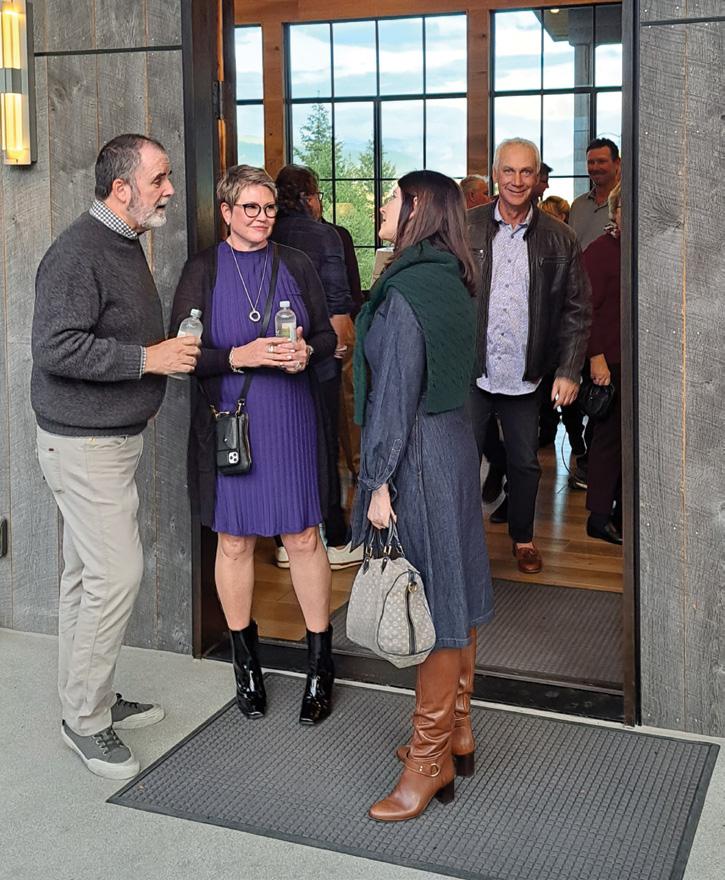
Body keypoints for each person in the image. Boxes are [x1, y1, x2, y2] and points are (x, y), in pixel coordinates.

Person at [32, 133, 201, 779]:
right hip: (84, 445)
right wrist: (147, 360)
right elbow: (54, 348)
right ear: (121, 187)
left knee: (86, 578)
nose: (169, 190)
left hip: (104, 441)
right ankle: (85, 720)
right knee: (117, 575)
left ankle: (91, 697)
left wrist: (152, 361)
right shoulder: (79, 251)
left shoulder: (121, 243)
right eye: (158, 179)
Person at [170, 165, 338, 724]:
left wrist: (307, 353)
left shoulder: (296, 263)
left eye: (268, 208)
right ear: (226, 212)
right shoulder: (203, 270)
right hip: (233, 422)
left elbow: (326, 335)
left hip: (290, 419)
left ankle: (320, 663)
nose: (262, 217)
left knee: (304, 536)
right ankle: (246, 662)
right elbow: (183, 356)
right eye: (250, 208)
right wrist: (238, 356)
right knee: (236, 541)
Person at [352, 170, 494, 822]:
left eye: (392, 197)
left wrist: (376, 481)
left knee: (434, 602)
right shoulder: (450, 278)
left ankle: (429, 762)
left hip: (417, 458)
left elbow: (393, 395)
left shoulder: (408, 292)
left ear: (417, 211)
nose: (383, 205)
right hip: (452, 448)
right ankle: (456, 731)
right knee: (452, 588)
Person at [468, 138, 592, 574]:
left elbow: (578, 309)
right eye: (509, 171)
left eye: (526, 172)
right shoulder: (467, 227)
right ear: (495, 175)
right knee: (463, 460)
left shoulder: (560, 237)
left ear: (537, 178)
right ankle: (463, 539)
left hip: (526, 375)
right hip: (473, 370)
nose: (517, 181)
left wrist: (569, 370)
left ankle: (523, 537)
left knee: (524, 463)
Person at [271, 164, 359, 566]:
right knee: (322, 444)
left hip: (271, 355)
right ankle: (334, 534)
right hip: (318, 354)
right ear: (309, 197)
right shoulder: (325, 235)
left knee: (280, 445)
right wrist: (339, 345)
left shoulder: (265, 231)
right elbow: (338, 304)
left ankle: (282, 539)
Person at [582, 183, 623, 544]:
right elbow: (584, 311)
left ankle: (624, 511)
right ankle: (598, 516)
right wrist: (595, 358)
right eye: (625, 209)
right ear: (615, 213)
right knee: (607, 441)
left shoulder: (640, 250)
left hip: (636, 363)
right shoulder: (599, 252)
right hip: (608, 362)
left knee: (629, 442)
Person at [569, 138, 622, 251]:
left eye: (601, 161)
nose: (595, 167)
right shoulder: (577, 205)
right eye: (591, 162)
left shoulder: (626, 205)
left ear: (617, 163)